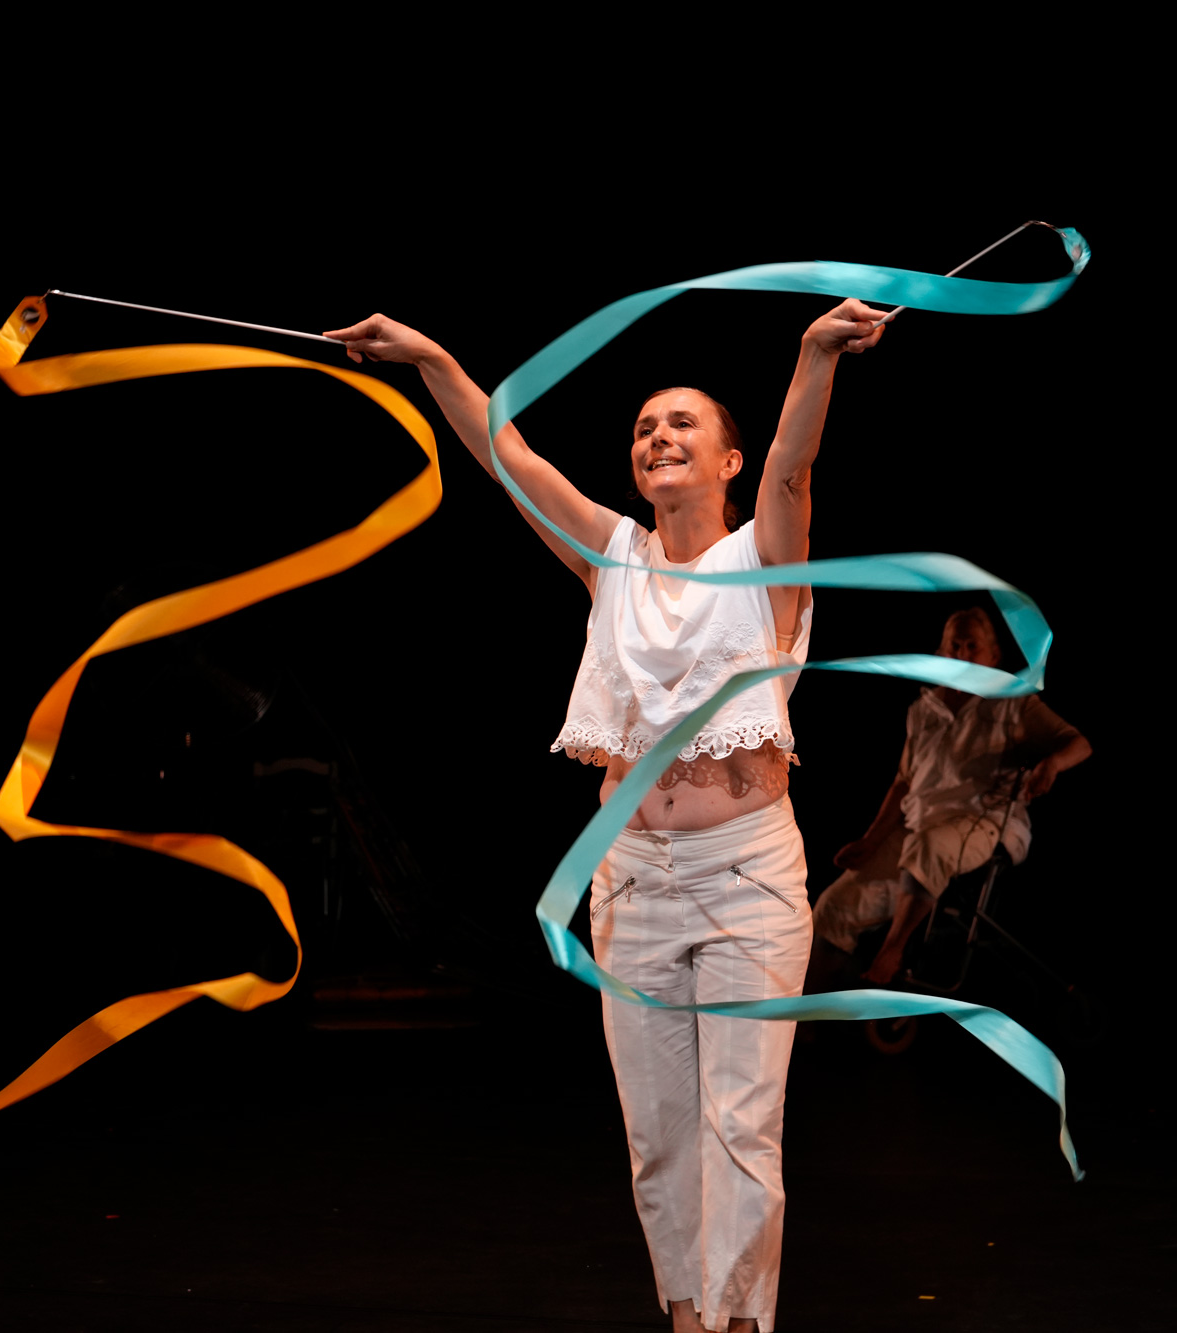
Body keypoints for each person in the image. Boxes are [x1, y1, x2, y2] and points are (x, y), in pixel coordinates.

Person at [322, 300, 891, 1333]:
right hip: (630, 880)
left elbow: (793, 469)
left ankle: (738, 1327)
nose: (656, 436)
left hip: (745, 879)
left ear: (727, 462)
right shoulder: (611, 557)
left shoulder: (763, 556)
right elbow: (509, 460)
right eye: (642, 428)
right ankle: (688, 1318)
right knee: (659, 1136)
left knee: (738, 1128)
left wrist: (816, 356)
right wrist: (432, 357)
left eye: (681, 423)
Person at [810, 607, 1091, 990]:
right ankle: (819, 1009)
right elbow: (903, 782)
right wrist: (871, 840)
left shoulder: (1012, 702)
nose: (961, 654)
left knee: (928, 848)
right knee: (832, 907)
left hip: (983, 823)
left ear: (993, 656)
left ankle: (891, 953)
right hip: (918, 827)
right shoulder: (922, 710)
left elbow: (1078, 743)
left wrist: (1052, 764)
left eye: (972, 646)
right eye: (954, 646)